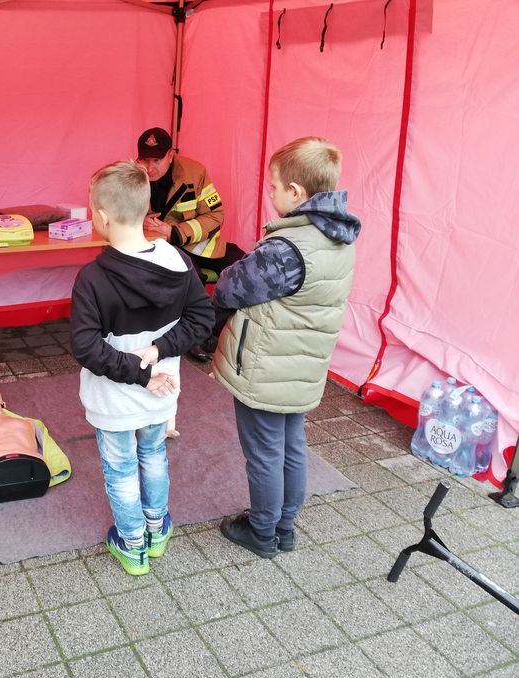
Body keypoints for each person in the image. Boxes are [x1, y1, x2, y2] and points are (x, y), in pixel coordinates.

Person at [210, 136, 361, 559]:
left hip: (268, 365)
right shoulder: (338, 237)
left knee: (263, 453)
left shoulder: (286, 248)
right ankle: (284, 527)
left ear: (295, 192)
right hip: (302, 364)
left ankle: (261, 531)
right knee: (291, 447)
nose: (270, 193)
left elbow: (230, 287)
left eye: (274, 187)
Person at [71, 160, 214, 576]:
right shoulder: (177, 260)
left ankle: (132, 544)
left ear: (102, 216)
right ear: (146, 207)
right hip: (161, 392)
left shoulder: (92, 278)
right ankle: (156, 530)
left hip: (116, 399)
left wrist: (142, 368)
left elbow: (85, 347)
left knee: (120, 468)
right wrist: (159, 351)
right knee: (153, 455)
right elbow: (202, 319)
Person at [135, 127, 246, 362]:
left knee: (243, 268)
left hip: (201, 245)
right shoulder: (130, 176)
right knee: (191, 275)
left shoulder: (195, 173)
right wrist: (139, 218)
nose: (150, 167)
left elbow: (216, 214)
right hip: (162, 249)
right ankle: (197, 336)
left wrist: (176, 232)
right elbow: (118, 214)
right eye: (145, 159)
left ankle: (209, 331)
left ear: (170, 155)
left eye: (156, 160)